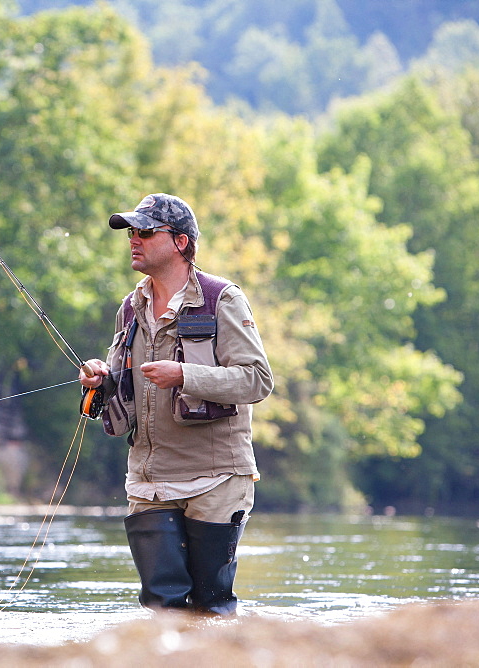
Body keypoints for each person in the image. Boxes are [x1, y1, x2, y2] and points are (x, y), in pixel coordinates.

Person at [79, 193, 273, 615]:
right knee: (161, 607)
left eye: (146, 232)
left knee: (211, 607)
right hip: (149, 482)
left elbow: (258, 380)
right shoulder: (129, 309)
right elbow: (119, 385)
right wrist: (100, 379)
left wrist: (184, 375)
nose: (134, 239)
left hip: (217, 479)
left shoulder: (222, 299)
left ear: (181, 242)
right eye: (132, 232)